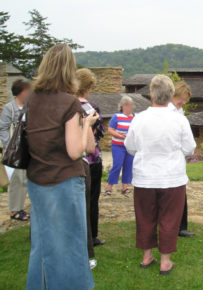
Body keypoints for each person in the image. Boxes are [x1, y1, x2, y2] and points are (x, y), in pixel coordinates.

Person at [26, 44, 98, 289]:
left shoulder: (31, 100)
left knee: (42, 242)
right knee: (71, 244)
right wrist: (87, 124)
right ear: (69, 70)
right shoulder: (69, 103)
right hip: (64, 181)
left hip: (36, 179)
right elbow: (75, 151)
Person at [125, 75, 196, 275]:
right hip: (171, 176)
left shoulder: (139, 119)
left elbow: (130, 147)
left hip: (145, 176)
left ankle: (147, 256)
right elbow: (189, 148)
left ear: (151, 94)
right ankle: (165, 261)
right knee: (170, 218)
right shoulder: (179, 120)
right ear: (171, 94)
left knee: (145, 216)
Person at [76, 68, 106, 269]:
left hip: (74, 160)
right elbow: (101, 132)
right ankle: (92, 236)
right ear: (89, 87)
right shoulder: (91, 108)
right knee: (91, 201)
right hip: (91, 159)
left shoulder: (67, 106)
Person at [0, 79, 31, 221]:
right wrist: (8, 147)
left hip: (27, 149)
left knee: (24, 179)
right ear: (21, 92)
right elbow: (3, 129)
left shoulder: (29, 107)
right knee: (17, 180)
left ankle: (20, 207)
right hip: (15, 151)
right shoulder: (9, 108)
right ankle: (14, 210)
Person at [168, 81, 196, 238]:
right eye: (182, 99)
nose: (184, 103)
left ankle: (181, 226)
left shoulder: (180, 111)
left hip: (178, 157)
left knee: (180, 193)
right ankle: (172, 226)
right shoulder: (168, 110)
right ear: (174, 95)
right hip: (169, 157)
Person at [104, 96, 135, 196]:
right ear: (123, 106)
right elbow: (110, 129)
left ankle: (125, 187)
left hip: (130, 146)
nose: (130, 107)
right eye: (127, 105)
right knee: (117, 165)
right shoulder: (116, 117)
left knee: (128, 166)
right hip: (118, 145)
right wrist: (119, 136)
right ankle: (109, 187)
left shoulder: (134, 117)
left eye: (130, 105)